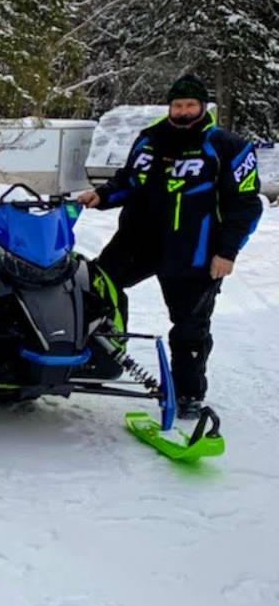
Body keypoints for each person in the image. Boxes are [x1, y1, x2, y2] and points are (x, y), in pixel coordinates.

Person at [77, 74, 262, 418]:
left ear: (202, 107)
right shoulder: (149, 139)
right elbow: (129, 180)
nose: (183, 112)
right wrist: (101, 195)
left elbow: (247, 206)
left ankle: (188, 395)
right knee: (94, 288)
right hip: (137, 242)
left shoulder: (228, 147)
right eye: (177, 105)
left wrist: (227, 252)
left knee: (190, 327)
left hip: (195, 251)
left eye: (190, 105)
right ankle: (95, 358)